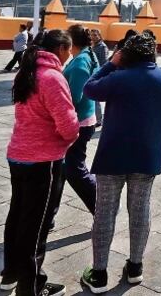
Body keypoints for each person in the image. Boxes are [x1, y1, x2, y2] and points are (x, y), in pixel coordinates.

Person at [80, 33, 161, 292]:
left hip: (112, 157)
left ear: (127, 55)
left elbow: (89, 88)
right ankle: (135, 267)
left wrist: (111, 63)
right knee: (140, 211)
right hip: (146, 157)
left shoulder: (117, 78)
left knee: (105, 213)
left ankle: (99, 274)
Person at [0, 29, 79, 296]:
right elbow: (68, 126)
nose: (69, 56)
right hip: (42, 159)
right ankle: (31, 287)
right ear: (60, 49)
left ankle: (10, 274)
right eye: (68, 51)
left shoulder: (27, 71)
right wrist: (68, 138)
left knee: (17, 218)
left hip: (18, 153)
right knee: (36, 226)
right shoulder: (52, 77)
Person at [60, 25, 98, 214]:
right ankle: (49, 215)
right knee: (60, 169)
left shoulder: (81, 61)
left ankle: (101, 207)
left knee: (75, 170)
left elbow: (74, 97)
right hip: (81, 119)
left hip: (79, 121)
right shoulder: (84, 56)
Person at [89, 29, 109, 126]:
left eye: (95, 35)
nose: (93, 37)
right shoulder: (93, 46)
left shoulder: (102, 47)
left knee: (95, 98)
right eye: (92, 35)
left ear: (99, 36)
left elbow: (104, 62)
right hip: (92, 73)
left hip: (98, 74)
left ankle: (98, 120)